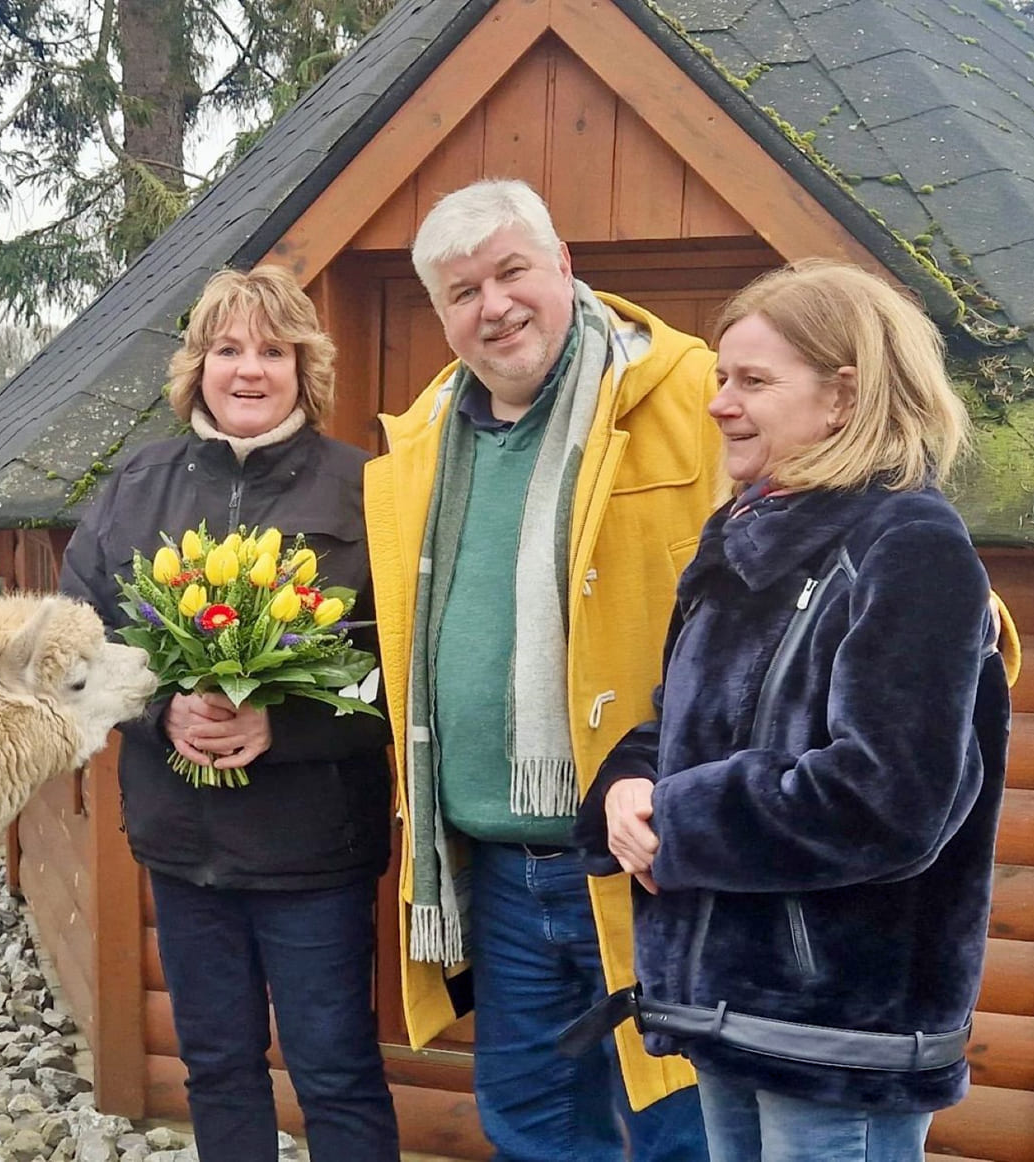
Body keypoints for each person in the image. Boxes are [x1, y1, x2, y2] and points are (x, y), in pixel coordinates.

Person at [575, 259, 1018, 1162]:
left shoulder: (912, 548)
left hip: (840, 1032)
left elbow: (890, 800)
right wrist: (626, 785)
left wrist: (681, 819)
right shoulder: (746, 532)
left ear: (844, 397)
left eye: (753, 381)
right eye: (721, 379)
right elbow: (685, 723)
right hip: (730, 1006)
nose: (718, 404)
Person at [364, 178, 717, 1162]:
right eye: (463, 291)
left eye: (513, 270)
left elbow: (829, 513)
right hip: (503, 874)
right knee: (534, 1129)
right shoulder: (424, 441)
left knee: (683, 1130)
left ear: (562, 264)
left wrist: (953, 621)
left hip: (656, 864)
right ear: (441, 314)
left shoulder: (692, 394)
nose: (495, 306)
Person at [59, 265, 399, 1162]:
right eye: (228, 348)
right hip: (184, 845)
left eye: (273, 351)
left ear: (303, 369)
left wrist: (279, 731)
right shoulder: (136, 488)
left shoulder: (367, 494)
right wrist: (161, 712)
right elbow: (75, 647)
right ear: (197, 366)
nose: (249, 370)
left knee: (334, 1068)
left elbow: (406, 677)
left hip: (314, 851)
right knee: (215, 1066)